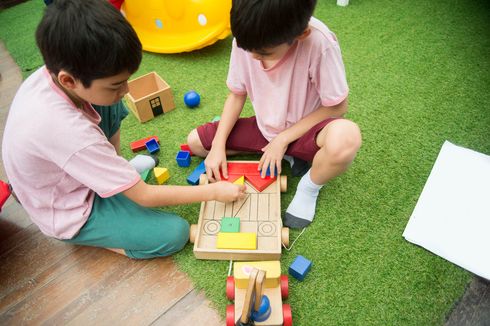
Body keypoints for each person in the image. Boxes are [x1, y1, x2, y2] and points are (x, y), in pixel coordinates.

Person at [1, 0, 246, 259]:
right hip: (70, 210)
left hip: (66, 170)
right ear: (68, 80)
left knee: (109, 103)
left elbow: (102, 105)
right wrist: (213, 191)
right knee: (175, 232)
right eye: (116, 84)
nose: (127, 90)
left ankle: (114, 174)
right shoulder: (68, 132)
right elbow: (145, 195)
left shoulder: (61, 73)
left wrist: (116, 167)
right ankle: (101, 220)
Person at [187, 0, 361, 229]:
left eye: (263, 52)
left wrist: (282, 139)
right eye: (246, 49)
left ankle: (308, 186)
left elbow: (338, 106)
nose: (253, 57)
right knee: (196, 142)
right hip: (265, 129)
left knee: (347, 137)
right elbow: (237, 94)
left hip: (307, 133)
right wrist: (218, 145)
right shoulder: (248, 38)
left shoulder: (320, 43)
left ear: (301, 34)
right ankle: (289, 156)